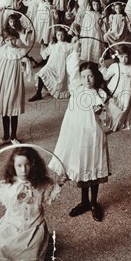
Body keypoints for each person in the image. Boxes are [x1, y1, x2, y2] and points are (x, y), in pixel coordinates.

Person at [49, 55, 109, 222]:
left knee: (93, 166)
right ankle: (84, 201)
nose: (87, 79)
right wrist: (75, 50)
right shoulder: (76, 89)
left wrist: (101, 110)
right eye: (83, 76)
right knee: (82, 166)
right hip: (78, 137)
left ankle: (93, 202)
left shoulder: (100, 94)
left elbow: (103, 116)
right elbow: (72, 68)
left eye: (90, 76)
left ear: (95, 76)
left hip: (93, 136)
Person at [0, 147, 62, 261]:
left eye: (27, 165)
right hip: (12, 224)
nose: (23, 170)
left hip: (34, 228)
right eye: (19, 165)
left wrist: (59, 185)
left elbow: (49, 198)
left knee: (28, 255)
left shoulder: (42, 184)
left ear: (33, 165)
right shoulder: (8, 185)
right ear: (13, 166)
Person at [0, 29, 32, 146]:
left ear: (17, 39)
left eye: (13, 39)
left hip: (14, 81)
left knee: (13, 107)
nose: (10, 42)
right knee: (4, 109)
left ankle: (13, 136)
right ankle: (5, 136)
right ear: (4, 40)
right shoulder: (1, 49)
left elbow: (25, 66)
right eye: (7, 40)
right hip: (2, 80)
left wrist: (26, 63)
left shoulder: (21, 51)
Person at [100, 44, 131, 131]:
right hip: (116, 91)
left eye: (126, 57)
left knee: (127, 106)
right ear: (118, 56)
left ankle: (127, 120)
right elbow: (106, 76)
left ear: (129, 56)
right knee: (115, 107)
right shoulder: (115, 66)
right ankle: (114, 122)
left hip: (129, 92)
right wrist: (102, 66)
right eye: (121, 57)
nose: (124, 59)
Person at [29, 27, 73, 102]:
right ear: (56, 36)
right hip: (52, 66)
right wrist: (42, 45)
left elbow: (75, 53)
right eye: (58, 35)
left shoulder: (69, 46)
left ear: (65, 35)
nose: (60, 37)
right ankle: (38, 93)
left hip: (62, 68)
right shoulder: (53, 45)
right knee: (41, 73)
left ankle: (55, 89)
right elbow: (44, 55)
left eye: (62, 35)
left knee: (60, 81)